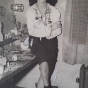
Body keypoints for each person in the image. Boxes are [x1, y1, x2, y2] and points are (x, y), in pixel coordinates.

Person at [25, 0, 62, 88]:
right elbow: (32, 31)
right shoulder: (30, 11)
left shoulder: (55, 11)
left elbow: (58, 30)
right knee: (44, 65)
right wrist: (50, 28)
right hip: (37, 41)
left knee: (45, 74)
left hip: (52, 42)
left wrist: (47, 33)